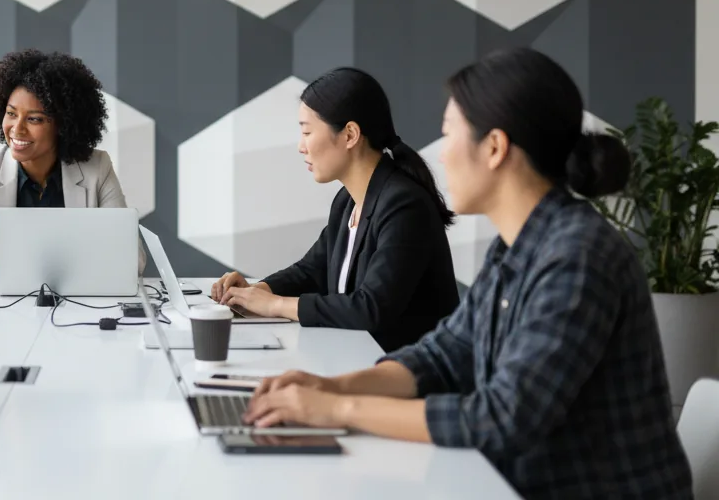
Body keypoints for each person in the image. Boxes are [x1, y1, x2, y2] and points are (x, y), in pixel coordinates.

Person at [242, 49, 692, 499]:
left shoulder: (579, 256)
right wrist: (328, 386)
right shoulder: (515, 246)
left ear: (494, 147)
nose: (440, 154)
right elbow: (443, 354)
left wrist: (338, 408)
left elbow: (500, 419)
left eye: (448, 134)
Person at [210, 68, 458, 351]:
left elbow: (371, 307)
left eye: (306, 131)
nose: (301, 146)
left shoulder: (404, 205)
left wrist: (275, 305)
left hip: (406, 377)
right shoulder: (348, 200)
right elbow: (312, 270)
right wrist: (258, 291)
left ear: (350, 134)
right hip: (357, 359)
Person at [0, 49, 145, 283]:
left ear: (64, 125)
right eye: (11, 114)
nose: (17, 129)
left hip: (79, 309)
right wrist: (1, 270)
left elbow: (133, 260)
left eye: (34, 119)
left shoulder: (97, 168)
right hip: (0, 311)